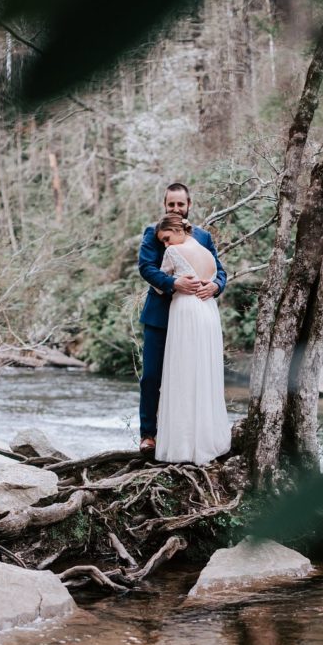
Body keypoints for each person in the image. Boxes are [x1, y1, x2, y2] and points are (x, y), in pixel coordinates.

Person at [137, 182, 227, 453]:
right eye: (171, 204)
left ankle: (186, 439)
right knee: (152, 376)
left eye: (180, 204)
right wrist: (174, 283)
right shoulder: (154, 233)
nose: (176, 208)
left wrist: (217, 286)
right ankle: (149, 436)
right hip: (160, 317)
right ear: (165, 205)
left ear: (189, 205)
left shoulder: (203, 236)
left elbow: (219, 269)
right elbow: (146, 268)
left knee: (190, 377)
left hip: (193, 320)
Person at [152, 212, 231, 465]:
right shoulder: (207, 253)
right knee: (204, 374)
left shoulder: (174, 253)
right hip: (208, 312)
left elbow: (157, 285)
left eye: (166, 238)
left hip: (186, 311)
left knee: (183, 374)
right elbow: (217, 276)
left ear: (177, 230)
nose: (165, 244)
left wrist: (174, 281)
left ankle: (183, 447)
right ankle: (208, 443)